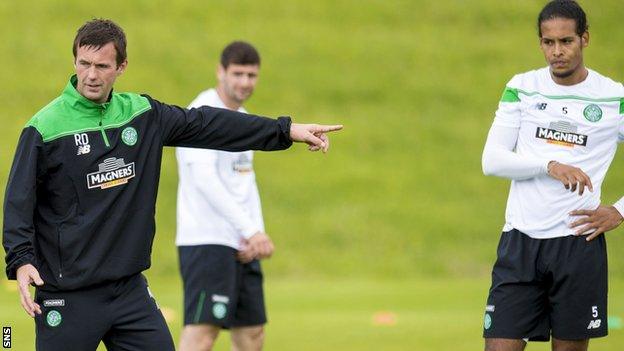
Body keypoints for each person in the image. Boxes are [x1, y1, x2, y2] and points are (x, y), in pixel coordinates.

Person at [2, 19, 341, 351]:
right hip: (68, 294)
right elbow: (19, 199)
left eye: (102, 66)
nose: (91, 75)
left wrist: (286, 131)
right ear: (74, 61)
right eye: (84, 64)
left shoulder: (142, 114)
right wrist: (21, 259)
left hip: (128, 291)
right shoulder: (45, 127)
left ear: (121, 67)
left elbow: (211, 125)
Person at [481, 1, 624, 350]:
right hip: (520, 241)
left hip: (578, 244)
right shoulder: (523, 87)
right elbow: (492, 160)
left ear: (584, 39)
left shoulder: (613, 97)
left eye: (566, 41)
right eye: (548, 42)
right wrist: (549, 166)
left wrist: (620, 210)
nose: (557, 52)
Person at [175, 41, 273, 351]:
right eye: (238, 73)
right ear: (220, 72)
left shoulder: (244, 118)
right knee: (203, 334)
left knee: (252, 334)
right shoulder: (200, 115)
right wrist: (249, 230)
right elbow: (206, 180)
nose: (245, 82)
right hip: (207, 241)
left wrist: (255, 233)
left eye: (252, 75)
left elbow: (245, 180)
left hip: (241, 243)